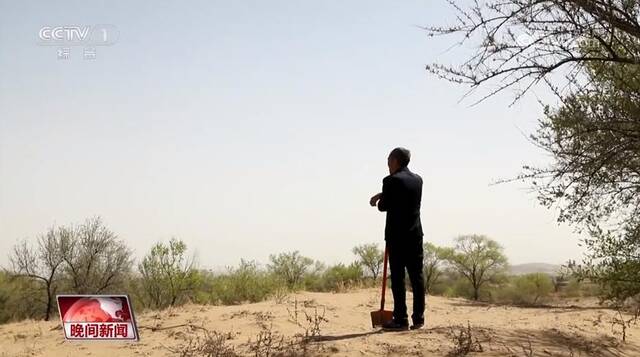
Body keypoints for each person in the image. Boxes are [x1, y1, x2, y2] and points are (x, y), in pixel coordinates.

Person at [369, 147, 425, 331]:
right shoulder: (418, 180)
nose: (387, 165)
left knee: (398, 278)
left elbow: (384, 206)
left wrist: (380, 198)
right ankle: (418, 318)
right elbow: (403, 197)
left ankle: (400, 319)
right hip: (415, 234)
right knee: (417, 277)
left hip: (397, 237)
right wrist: (382, 194)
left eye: (388, 161)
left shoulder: (390, 181)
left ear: (395, 161)